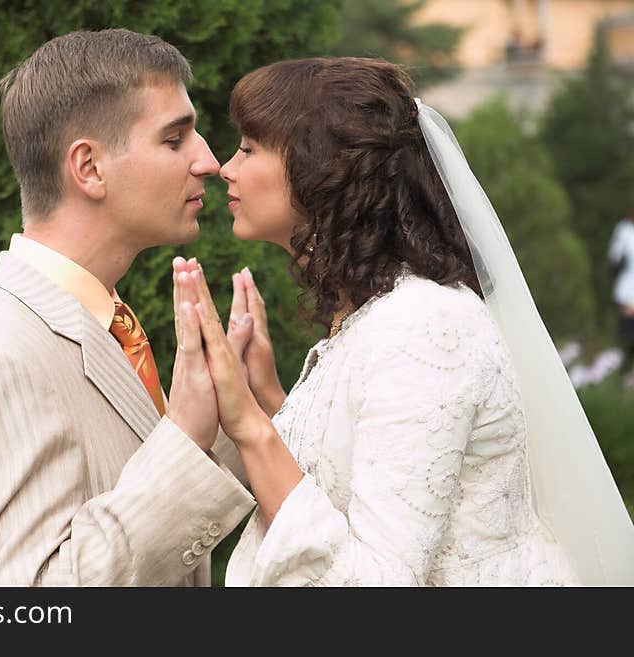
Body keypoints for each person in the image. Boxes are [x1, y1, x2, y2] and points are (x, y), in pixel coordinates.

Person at [171, 57, 634, 585]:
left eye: (249, 148)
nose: (225, 167)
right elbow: (355, 475)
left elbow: (379, 580)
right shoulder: (377, 318)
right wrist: (270, 397)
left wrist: (246, 423)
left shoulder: (427, 329)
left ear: (323, 170)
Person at [0, 29, 254, 586]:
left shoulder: (105, 326)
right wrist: (186, 439)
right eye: (174, 139)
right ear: (89, 168)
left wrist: (235, 424)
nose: (209, 161)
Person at [609, 212, 634, 384]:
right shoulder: (625, 230)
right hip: (629, 289)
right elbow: (614, 257)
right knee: (628, 336)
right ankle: (623, 377)